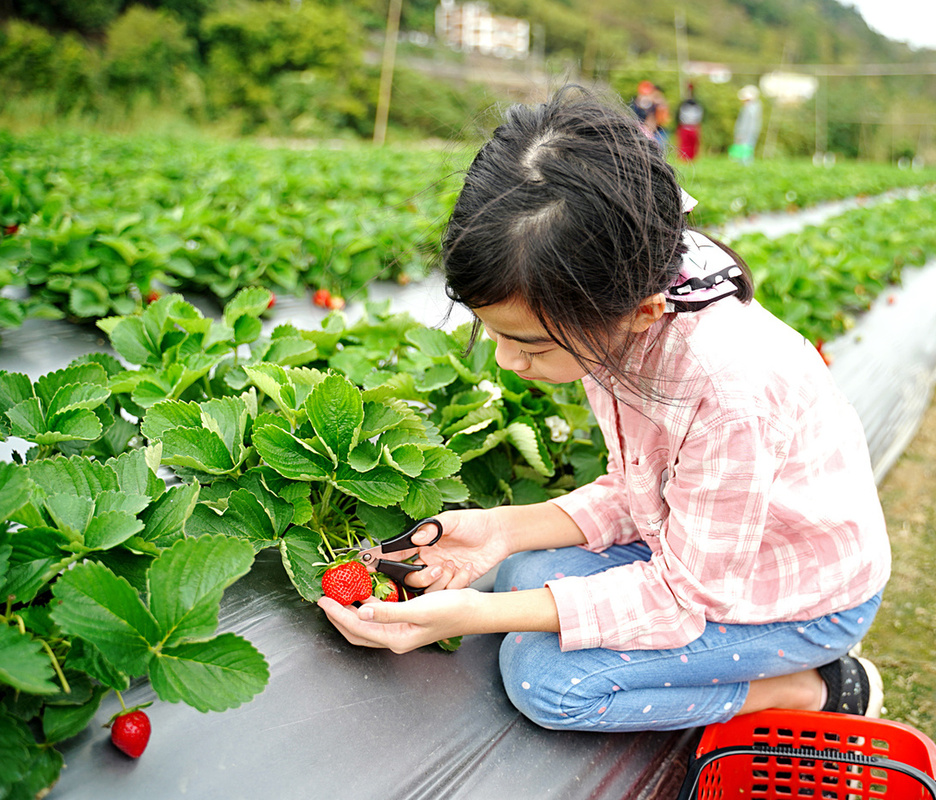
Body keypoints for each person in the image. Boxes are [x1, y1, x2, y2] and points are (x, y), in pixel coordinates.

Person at [319, 87, 891, 733]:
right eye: (496, 332)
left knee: (550, 682)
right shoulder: (621, 308)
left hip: (796, 597)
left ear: (638, 310)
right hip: (700, 553)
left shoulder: (729, 390)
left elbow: (685, 599)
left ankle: (813, 687)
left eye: (529, 342)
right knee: (521, 571)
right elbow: (635, 488)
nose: (505, 361)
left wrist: (473, 616)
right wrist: (505, 528)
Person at [731, 84, 762, 164]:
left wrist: (741, 133)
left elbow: (746, 123)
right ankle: (743, 163)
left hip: (747, 132)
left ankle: (745, 163)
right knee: (745, 148)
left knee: (746, 148)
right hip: (747, 132)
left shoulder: (751, 108)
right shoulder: (752, 107)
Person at [676, 83, 703, 161]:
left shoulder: (696, 105)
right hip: (685, 126)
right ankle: (684, 159)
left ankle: (691, 159)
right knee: (684, 145)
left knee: (692, 145)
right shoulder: (683, 105)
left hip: (693, 126)